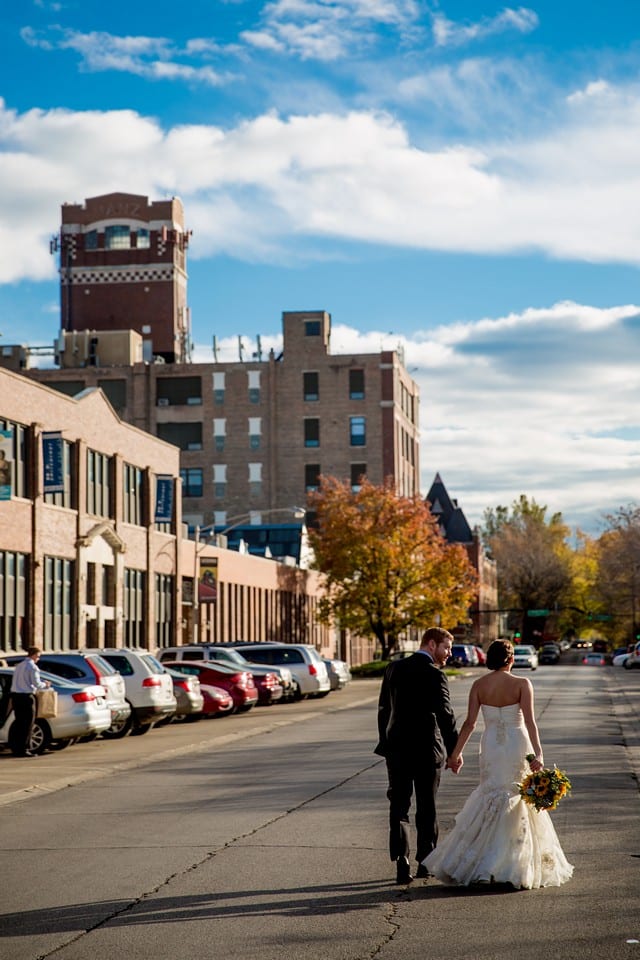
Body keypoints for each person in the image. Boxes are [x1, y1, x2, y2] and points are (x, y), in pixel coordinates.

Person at [423, 638, 574, 889]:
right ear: (511, 659)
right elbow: (530, 722)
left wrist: (455, 754)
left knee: (491, 793)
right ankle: (512, 863)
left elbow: (470, 723)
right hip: (517, 743)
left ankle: (482, 864)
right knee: (517, 795)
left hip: (491, 743)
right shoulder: (522, 683)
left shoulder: (479, 685)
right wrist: (539, 754)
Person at [375, 626, 462, 884]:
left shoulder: (393, 669)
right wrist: (454, 752)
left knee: (399, 806)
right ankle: (425, 861)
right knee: (427, 807)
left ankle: (401, 862)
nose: (448, 653)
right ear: (432, 644)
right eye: (446, 647)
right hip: (427, 750)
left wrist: (386, 742)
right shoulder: (435, 675)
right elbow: (446, 716)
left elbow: (384, 710)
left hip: (397, 750)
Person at [9, 646, 50, 757]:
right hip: (27, 697)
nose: (38, 659)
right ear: (33, 655)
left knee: (18, 723)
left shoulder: (19, 666)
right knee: (27, 723)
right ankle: (24, 748)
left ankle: (16, 748)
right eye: (38, 656)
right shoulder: (32, 667)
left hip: (16, 696)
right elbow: (36, 683)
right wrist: (46, 684)